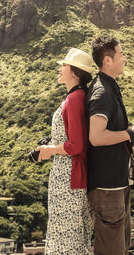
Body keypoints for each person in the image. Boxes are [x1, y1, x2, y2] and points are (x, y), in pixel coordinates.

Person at [86, 35, 134, 255]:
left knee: (120, 249)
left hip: (117, 184)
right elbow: (96, 137)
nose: (124, 58)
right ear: (108, 60)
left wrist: (131, 139)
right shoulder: (102, 92)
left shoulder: (110, 88)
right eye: (121, 54)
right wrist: (129, 133)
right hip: (107, 188)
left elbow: (110, 134)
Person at [36, 47, 94, 254]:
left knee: (66, 237)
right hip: (68, 175)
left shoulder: (75, 99)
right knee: (70, 235)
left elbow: (76, 145)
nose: (60, 68)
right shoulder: (76, 97)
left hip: (68, 177)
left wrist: (50, 150)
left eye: (64, 65)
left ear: (75, 73)